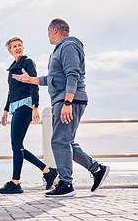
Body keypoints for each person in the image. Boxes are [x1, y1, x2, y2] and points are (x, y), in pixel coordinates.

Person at [12, 18, 110, 197]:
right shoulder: (59, 50)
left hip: (68, 101)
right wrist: (30, 80)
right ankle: (97, 169)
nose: (48, 36)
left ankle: (66, 184)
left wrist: (67, 103)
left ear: (55, 29)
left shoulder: (69, 46)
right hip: (63, 99)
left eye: (48, 32)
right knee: (66, 142)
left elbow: (73, 74)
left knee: (59, 141)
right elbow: (53, 78)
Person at [0, 36, 58, 194]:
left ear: (23, 47)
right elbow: (11, 93)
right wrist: (5, 111)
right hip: (15, 107)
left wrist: (35, 107)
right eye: (14, 46)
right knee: (17, 145)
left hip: (25, 105)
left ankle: (15, 182)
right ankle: (47, 171)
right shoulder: (12, 68)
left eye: (20, 45)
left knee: (16, 144)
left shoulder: (28, 62)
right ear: (10, 51)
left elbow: (34, 84)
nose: (18, 48)